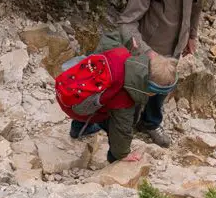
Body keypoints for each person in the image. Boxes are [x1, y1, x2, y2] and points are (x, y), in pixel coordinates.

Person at [117, 0, 214, 148]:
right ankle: (123, 128)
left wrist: (192, 36)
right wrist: (146, 53)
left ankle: (150, 123)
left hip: (175, 47)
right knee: (134, 92)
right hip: (147, 48)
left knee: (161, 91)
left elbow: (197, 7)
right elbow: (127, 23)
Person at [67, 32, 179, 163]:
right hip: (77, 104)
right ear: (151, 90)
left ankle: (78, 128)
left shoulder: (123, 54)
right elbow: (121, 130)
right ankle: (113, 158)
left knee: (97, 99)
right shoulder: (125, 99)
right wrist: (123, 153)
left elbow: (112, 37)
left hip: (76, 83)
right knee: (112, 122)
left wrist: (131, 43)